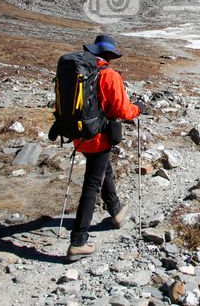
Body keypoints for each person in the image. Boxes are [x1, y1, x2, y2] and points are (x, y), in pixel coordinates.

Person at [68, 34, 143, 261]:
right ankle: (78, 241)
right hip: (99, 135)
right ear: (109, 55)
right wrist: (137, 109)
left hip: (80, 133)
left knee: (103, 168)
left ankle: (116, 211)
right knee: (92, 184)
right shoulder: (108, 75)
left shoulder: (79, 73)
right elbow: (122, 110)